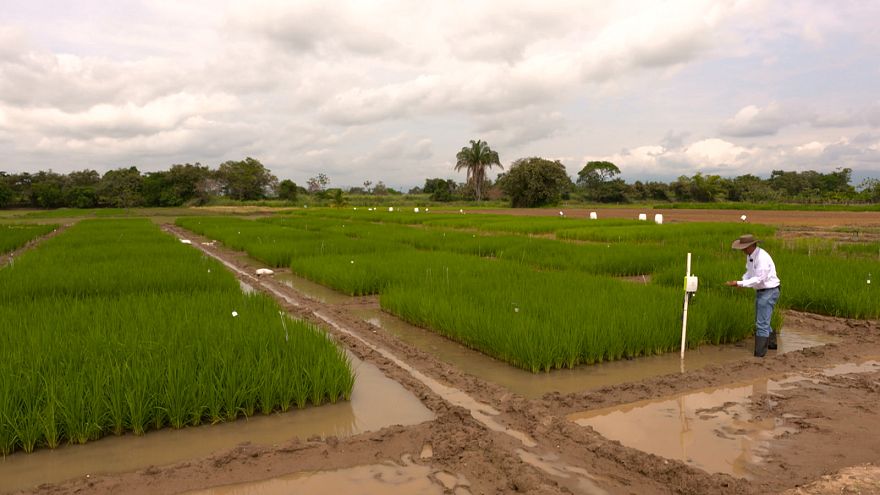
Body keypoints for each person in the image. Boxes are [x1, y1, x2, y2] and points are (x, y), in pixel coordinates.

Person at [725, 234, 781, 357]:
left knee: (761, 323)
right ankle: (772, 345)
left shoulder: (762, 258)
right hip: (762, 291)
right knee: (762, 319)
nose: (742, 250)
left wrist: (740, 283)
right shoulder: (750, 256)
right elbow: (749, 273)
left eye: (744, 248)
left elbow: (759, 279)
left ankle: (759, 355)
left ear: (751, 246)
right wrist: (742, 282)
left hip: (769, 291)